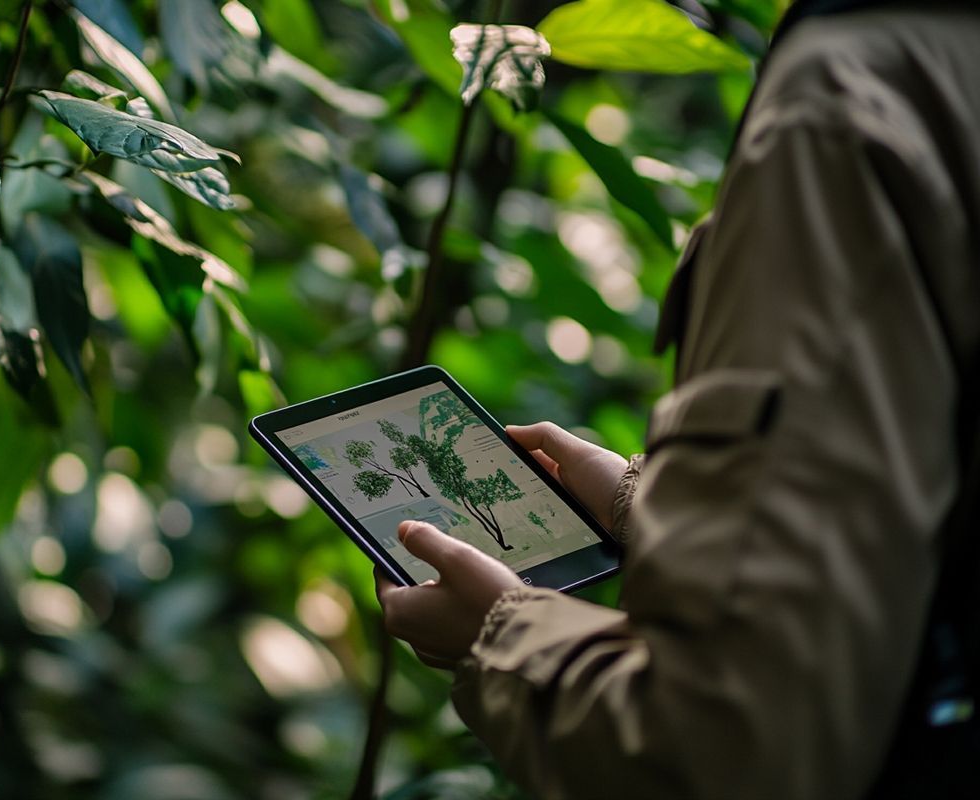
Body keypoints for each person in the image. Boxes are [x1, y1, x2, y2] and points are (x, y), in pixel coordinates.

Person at [374, 1, 980, 797]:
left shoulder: (846, 98)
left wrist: (501, 637)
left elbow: (737, 750)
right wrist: (643, 502)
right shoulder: (937, 58)